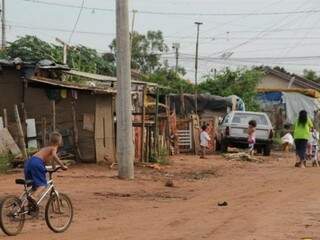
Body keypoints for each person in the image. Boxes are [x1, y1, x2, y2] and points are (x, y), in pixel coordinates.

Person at [24, 132, 68, 202]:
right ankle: (33, 197)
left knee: (34, 185)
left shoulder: (46, 148)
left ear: (50, 140)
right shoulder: (54, 148)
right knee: (43, 184)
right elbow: (54, 156)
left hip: (29, 163)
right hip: (37, 163)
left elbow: (51, 160)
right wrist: (62, 165)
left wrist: (53, 168)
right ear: (59, 142)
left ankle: (27, 204)